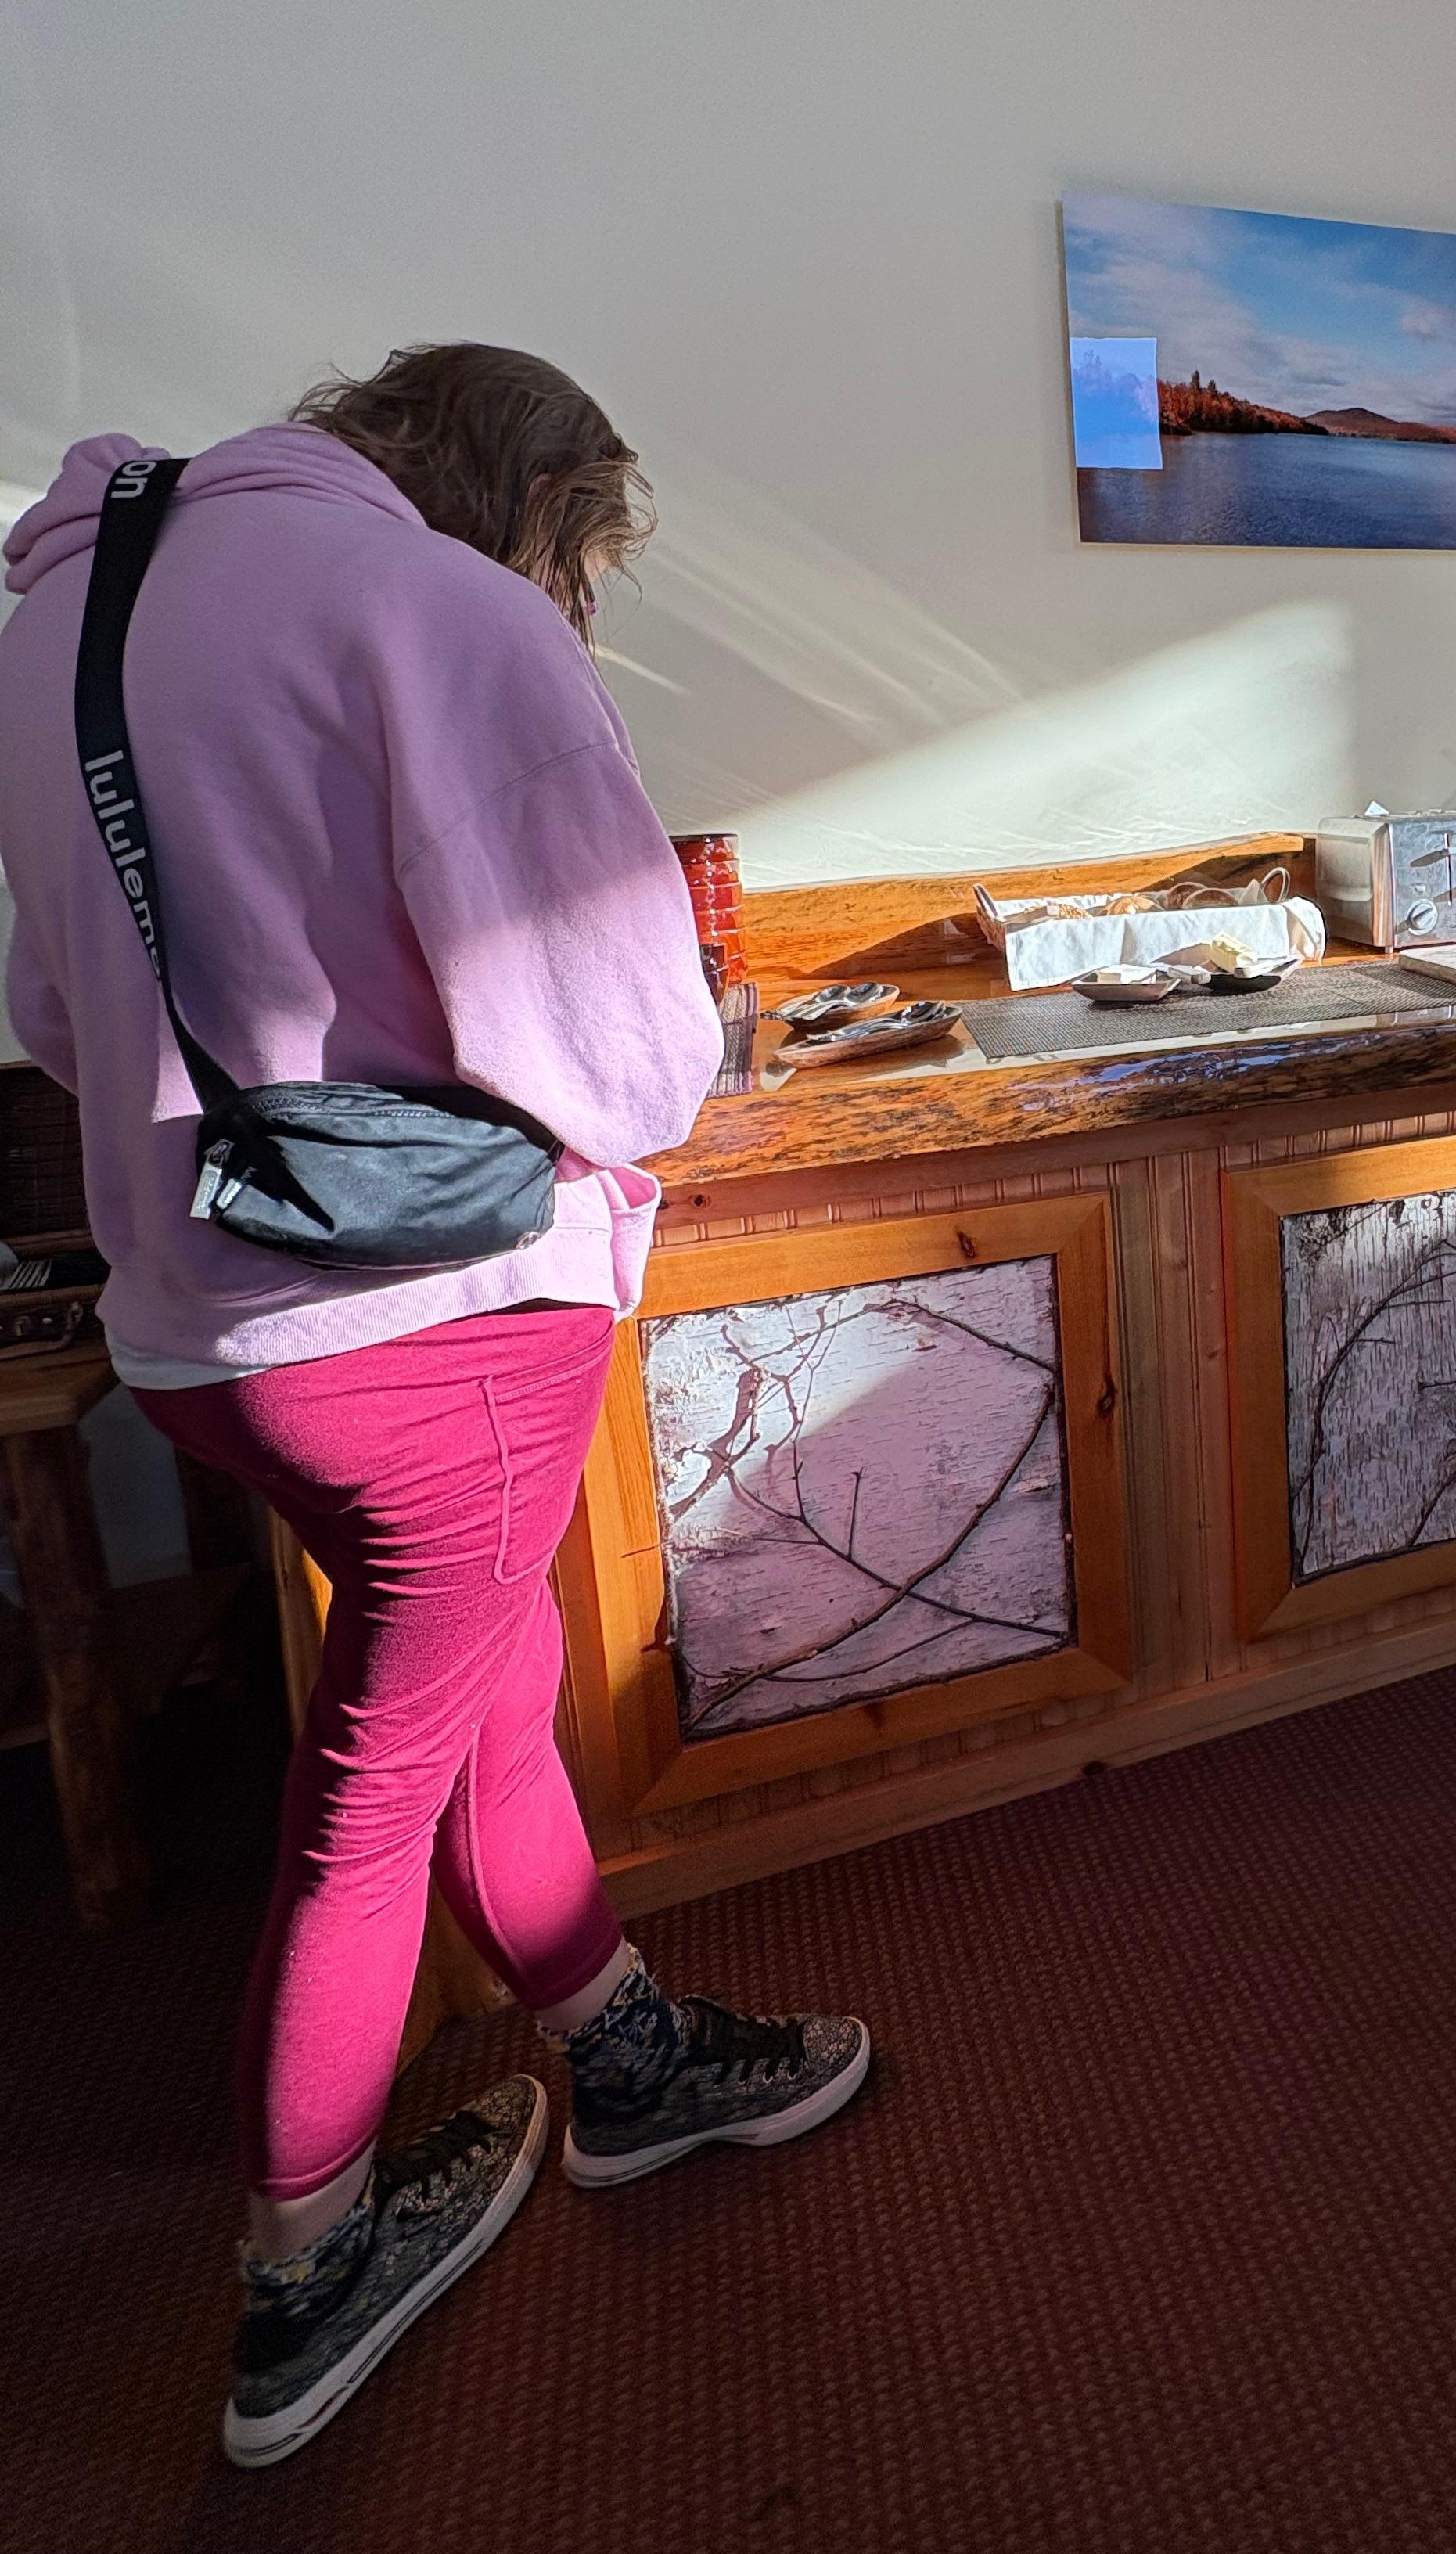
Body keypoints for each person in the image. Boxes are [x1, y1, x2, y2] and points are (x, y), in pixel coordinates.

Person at [0, 347, 871, 2470]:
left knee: (473, 1695)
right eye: (581, 564)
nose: (570, 604)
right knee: (381, 1781)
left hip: (198, 1324)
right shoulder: (441, 610)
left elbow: (49, 1008)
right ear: (537, 508)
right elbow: (628, 1058)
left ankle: (626, 2060)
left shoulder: (66, 607)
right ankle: (303, 2267)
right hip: (430, 1327)